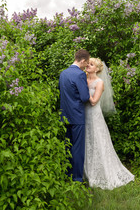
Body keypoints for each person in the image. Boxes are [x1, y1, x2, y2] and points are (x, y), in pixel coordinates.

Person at [84, 57, 134, 190]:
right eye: (88, 63)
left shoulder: (99, 82)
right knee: (86, 142)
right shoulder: (83, 79)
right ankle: (87, 173)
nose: (88, 65)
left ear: (97, 68)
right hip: (83, 116)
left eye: (91, 64)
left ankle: (102, 173)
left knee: (98, 141)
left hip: (94, 116)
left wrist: (83, 90)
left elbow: (94, 101)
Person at [59, 49, 90, 182]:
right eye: (86, 63)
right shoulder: (80, 75)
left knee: (67, 146)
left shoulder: (63, 73)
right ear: (82, 60)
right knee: (77, 148)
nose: (86, 66)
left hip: (65, 115)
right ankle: (77, 178)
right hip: (77, 115)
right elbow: (84, 97)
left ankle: (67, 174)